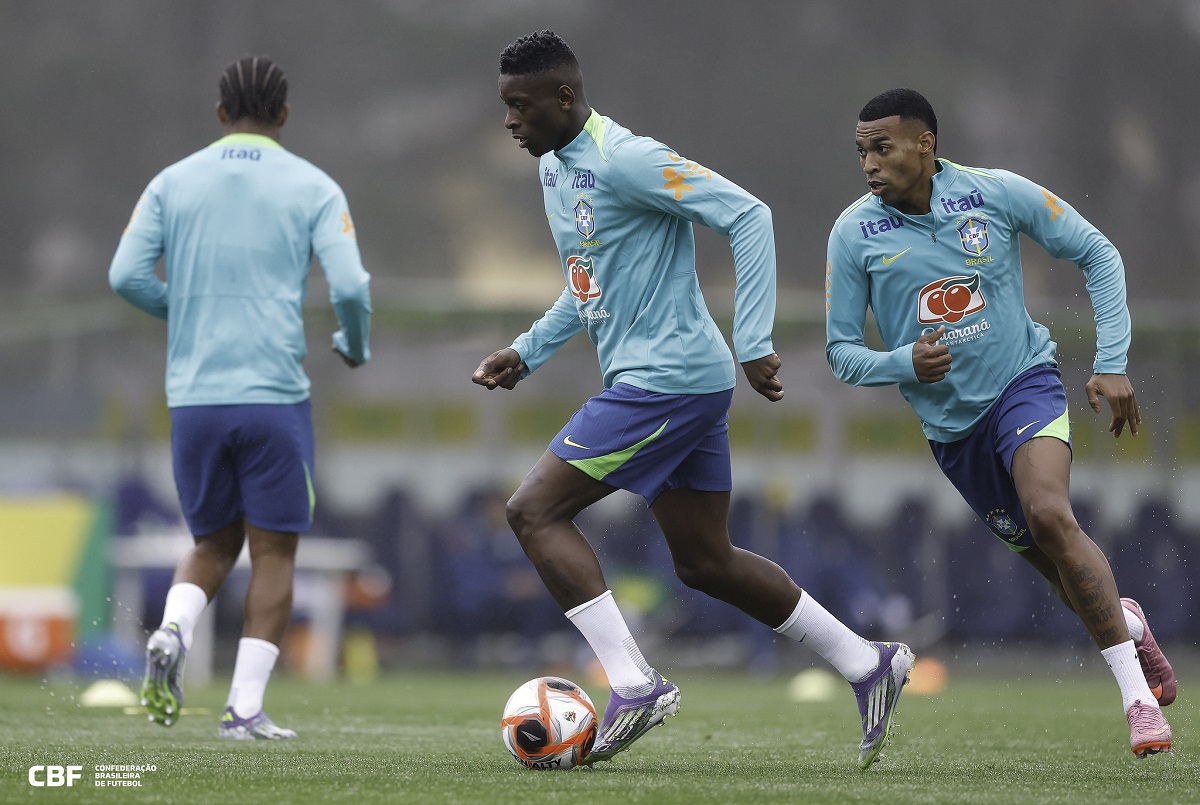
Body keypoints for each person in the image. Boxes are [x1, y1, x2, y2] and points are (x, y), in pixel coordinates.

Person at [473, 30, 912, 769]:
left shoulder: (628, 159)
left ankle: (633, 682)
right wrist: (528, 350)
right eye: (504, 107)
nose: (511, 121)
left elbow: (749, 214)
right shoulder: (556, 171)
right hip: (668, 383)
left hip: (667, 379)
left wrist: (756, 338)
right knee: (706, 561)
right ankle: (868, 662)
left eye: (521, 106)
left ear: (564, 98)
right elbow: (590, 286)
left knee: (532, 510)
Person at [825, 88, 1174, 758]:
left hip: (1025, 384)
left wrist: (1111, 361)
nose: (869, 162)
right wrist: (901, 361)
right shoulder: (853, 233)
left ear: (925, 143)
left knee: (1050, 513)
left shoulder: (996, 193)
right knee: (1060, 572)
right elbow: (841, 351)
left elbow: (1098, 252)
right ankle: (1128, 623)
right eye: (862, 149)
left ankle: (1137, 702)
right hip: (955, 436)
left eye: (883, 146)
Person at [109, 55, 372, 740]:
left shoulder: (172, 181)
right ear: (284, 115)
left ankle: (172, 629)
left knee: (213, 541)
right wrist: (355, 340)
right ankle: (244, 709)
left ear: (221, 114)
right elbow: (348, 284)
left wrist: (186, 312)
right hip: (272, 396)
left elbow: (124, 274)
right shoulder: (314, 185)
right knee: (275, 552)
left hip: (193, 397)